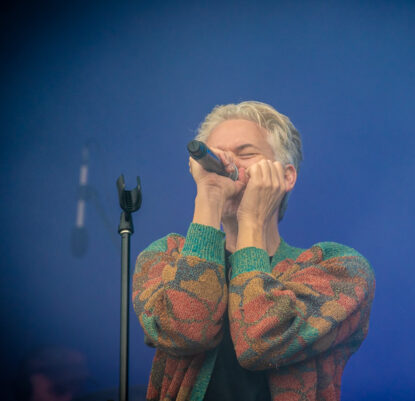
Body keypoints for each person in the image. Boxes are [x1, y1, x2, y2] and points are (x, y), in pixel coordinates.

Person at [132, 101, 375, 401]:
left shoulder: (340, 268)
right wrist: (209, 197)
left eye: (246, 154)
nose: (227, 165)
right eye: (217, 155)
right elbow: (187, 332)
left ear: (286, 176)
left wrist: (251, 220)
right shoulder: (166, 256)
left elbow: (260, 342)